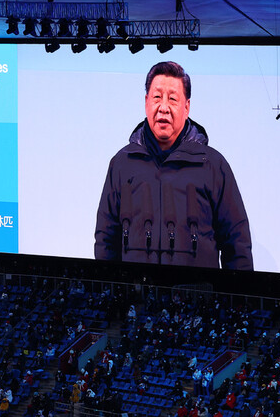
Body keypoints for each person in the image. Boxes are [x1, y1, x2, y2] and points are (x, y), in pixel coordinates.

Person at [94, 61, 253, 269]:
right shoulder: (122, 164)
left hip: (196, 296)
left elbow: (237, 244)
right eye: (157, 97)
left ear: (186, 107)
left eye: (173, 99)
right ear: (146, 102)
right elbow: (106, 240)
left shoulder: (213, 166)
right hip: (137, 296)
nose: (164, 108)